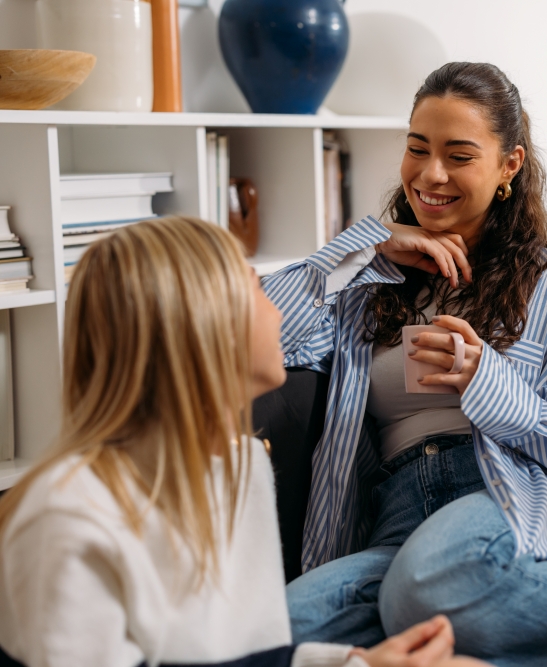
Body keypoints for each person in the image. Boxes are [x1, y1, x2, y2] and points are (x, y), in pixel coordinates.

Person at [265, 62, 547, 667]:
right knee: (272, 636)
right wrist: (363, 246)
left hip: (520, 504)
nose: (431, 174)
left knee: (429, 582)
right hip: (400, 520)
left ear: (509, 166)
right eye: (417, 148)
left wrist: (491, 387)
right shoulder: (366, 282)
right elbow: (245, 328)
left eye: (459, 155)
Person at [0, 216, 481, 667]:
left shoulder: (238, 465)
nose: (276, 311)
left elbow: (251, 657)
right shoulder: (68, 517)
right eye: (256, 288)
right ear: (199, 325)